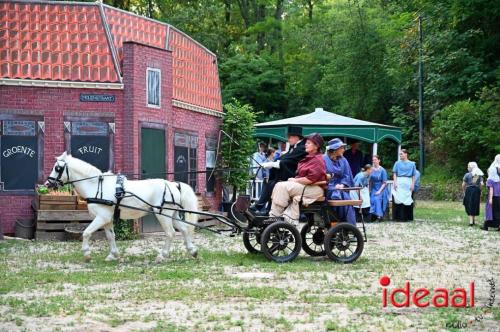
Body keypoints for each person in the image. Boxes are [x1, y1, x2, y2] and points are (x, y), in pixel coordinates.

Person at [268, 133, 326, 223]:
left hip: (315, 189)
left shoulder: (317, 160)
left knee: (282, 187)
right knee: (279, 184)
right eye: (306, 142)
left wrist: (295, 180)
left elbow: (310, 179)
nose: (305, 144)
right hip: (307, 186)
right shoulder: (308, 158)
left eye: (309, 143)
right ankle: (275, 216)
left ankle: (275, 217)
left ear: (316, 146)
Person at [249, 126, 307, 215]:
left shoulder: (301, 148)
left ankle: (262, 207)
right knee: (270, 183)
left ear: (296, 137)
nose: (288, 139)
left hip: (294, 175)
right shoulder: (294, 147)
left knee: (273, 184)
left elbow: (289, 160)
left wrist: (275, 164)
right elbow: (284, 157)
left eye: (290, 137)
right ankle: (265, 208)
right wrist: (274, 162)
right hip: (288, 173)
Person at [324, 138, 356, 226]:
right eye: (341, 148)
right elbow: (321, 175)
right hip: (327, 187)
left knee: (345, 198)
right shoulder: (323, 159)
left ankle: (348, 226)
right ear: (335, 149)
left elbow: (347, 175)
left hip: (341, 187)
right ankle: (339, 224)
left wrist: (342, 184)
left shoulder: (343, 160)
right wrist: (332, 185)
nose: (344, 150)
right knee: (338, 195)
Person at [392, 149, 416, 221]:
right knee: (399, 199)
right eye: (400, 154)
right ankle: (398, 217)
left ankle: (406, 217)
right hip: (399, 181)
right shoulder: (397, 163)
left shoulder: (412, 164)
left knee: (406, 199)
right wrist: (395, 182)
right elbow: (394, 173)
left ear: (406, 154)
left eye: (401, 154)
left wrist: (413, 184)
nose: (400, 155)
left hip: (408, 181)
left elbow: (413, 175)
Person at [481, 154, 500, 231]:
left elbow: (491, 187)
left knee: (490, 211)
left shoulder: (492, 170)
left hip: (494, 195)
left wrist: (490, 198)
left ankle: (486, 226)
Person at [462, 162, 484, 226]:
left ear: (472, 167)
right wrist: (480, 190)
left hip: (469, 190)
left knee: (469, 204)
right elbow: (482, 184)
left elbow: (463, 184)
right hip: (476, 190)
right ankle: (473, 221)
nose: (467, 168)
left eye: (468, 166)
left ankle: (471, 222)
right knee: (474, 204)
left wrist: (464, 191)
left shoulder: (467, 175)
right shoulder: (477, 175)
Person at [369, 155, 389, 221]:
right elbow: (370, 181)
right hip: (374, 188)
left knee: (377, 199)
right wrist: (370, 190)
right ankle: (372, 216)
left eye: (375, 160)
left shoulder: (382, 170)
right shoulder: (371, 169)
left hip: (381, 188)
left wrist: (379, 191)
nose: (374, 161)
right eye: (373, 160)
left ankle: (379, 216)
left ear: (379, 160)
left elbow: (384, 182)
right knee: (371, 199)